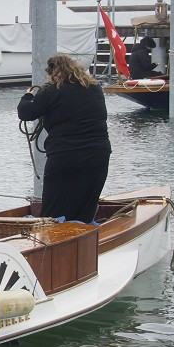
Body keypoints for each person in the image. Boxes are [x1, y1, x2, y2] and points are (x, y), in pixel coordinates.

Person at [17, 54, 111, 223]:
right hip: (98, 154)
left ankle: (53, 242)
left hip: (65, 155)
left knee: (53, 208)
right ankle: (85, 239)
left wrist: (28, 96)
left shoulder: (50, 92)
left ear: (53, 73)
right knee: (85, 206)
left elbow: (25, 113)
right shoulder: (95, 88)